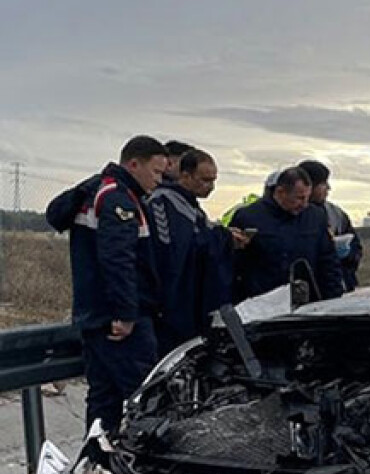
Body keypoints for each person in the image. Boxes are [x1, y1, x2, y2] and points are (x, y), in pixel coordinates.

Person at [45, 136, 166, 433]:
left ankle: (97, 465)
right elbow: (118, 260)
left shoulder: (98, 190)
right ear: (134, 164)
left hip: (96, 318)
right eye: (156, 172)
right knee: (145, 399)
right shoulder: (119, 199)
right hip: (119, 324)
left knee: (103, 400)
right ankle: (139, 471)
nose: (159, 180)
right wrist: (126, 315)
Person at [148, 149, 249, 353]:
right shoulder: (164, 202)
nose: (210, 187)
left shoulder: (191, 205)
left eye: (213, 180)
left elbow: (203, 233)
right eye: (204, 180)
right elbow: (177, 249)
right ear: (185, 175)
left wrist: (225, 236)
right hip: (175, 304)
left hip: (197, 303)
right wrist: (223, 239)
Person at [229, 166, 344, 302]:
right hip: (261, 302)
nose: (304, 204)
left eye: (307, 198)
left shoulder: (315, 217)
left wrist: (333, 299)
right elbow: (233, 265)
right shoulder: (248, 217)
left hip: (306, 301)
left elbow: (328, 261)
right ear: (280, 192)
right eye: (299, 198)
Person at [299, 159, 363, 291]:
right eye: (323, 183)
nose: (328, 188)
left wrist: (347, 254)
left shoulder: (335, 214)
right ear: (309, 186)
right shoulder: (292, 213)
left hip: (339, 285)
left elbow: (356, 247)